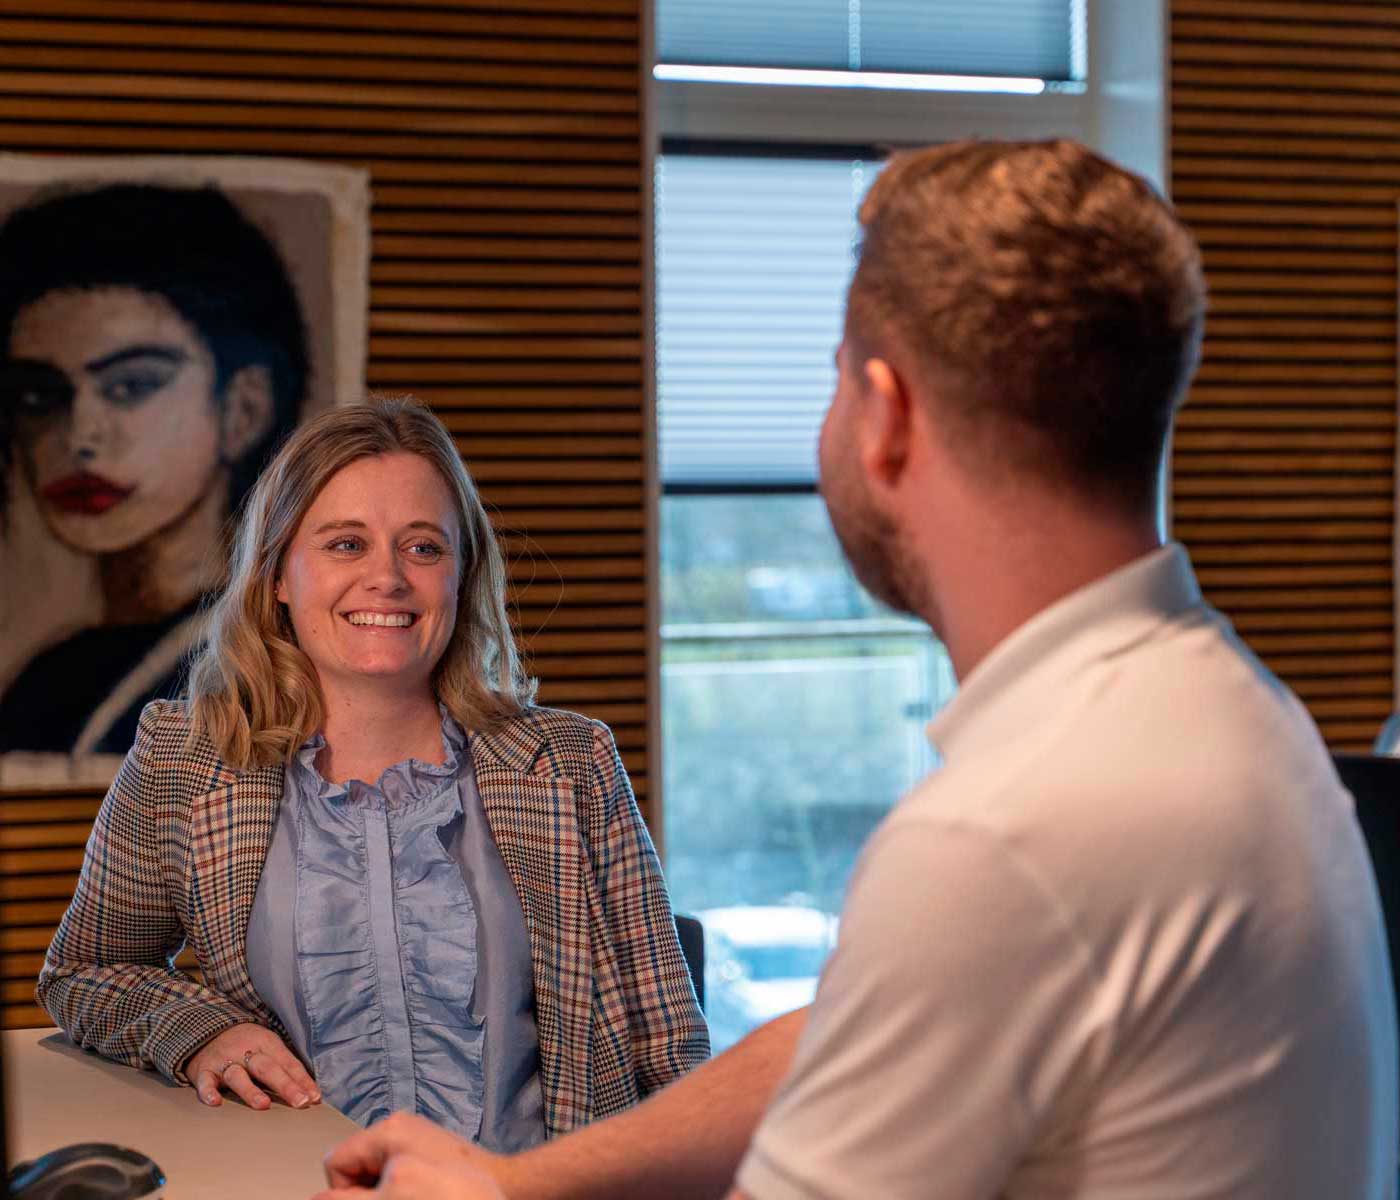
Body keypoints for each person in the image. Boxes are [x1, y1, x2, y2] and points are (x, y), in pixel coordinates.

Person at [314, 139, 1399, 1198]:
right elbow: (853, 1033)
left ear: (887, 413)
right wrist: (519, 1182)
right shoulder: (1229, 707)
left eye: (832, 382)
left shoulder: (1002, 837)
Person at [37, 398, 708, 1150]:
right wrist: (199, 1031)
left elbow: (669, 1049)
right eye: (346, 544)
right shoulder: (182, 761)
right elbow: (85, 973)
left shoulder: (570, 764)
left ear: (461, 575)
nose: (386, 578)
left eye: (423, 547)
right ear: (278, 575)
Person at [0, 182, 306, 760]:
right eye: (40, 396)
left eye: (132, 385)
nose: (80, 435)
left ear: (243, 410)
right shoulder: (49, 684)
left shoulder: (270, 664)